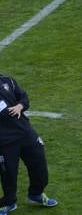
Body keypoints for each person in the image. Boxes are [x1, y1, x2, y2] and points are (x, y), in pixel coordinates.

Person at [0, 73, 58, 210]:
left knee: (39, 165)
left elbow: (24, 98)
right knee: (8, 175)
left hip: (26, 133)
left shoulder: (7, 80)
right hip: (4, 141)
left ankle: (36, 194)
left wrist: (20, 106)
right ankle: (9, 202)